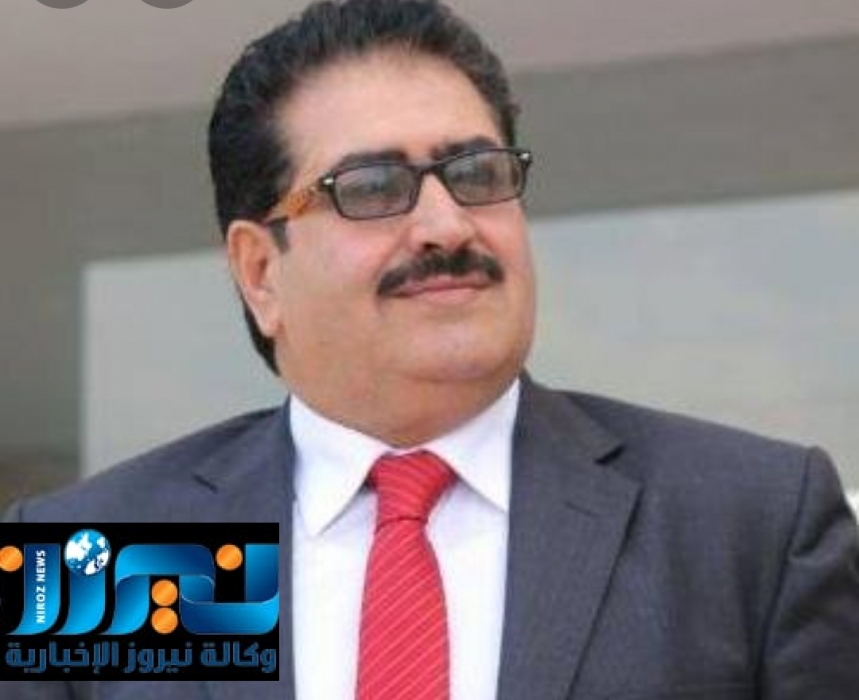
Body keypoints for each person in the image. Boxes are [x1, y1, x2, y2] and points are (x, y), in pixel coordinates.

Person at [4, 0, 858, 698]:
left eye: (477, 174)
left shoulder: (748, 528)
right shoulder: (108, 552)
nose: (446, 226)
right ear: (260, 271)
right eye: (373, 187)